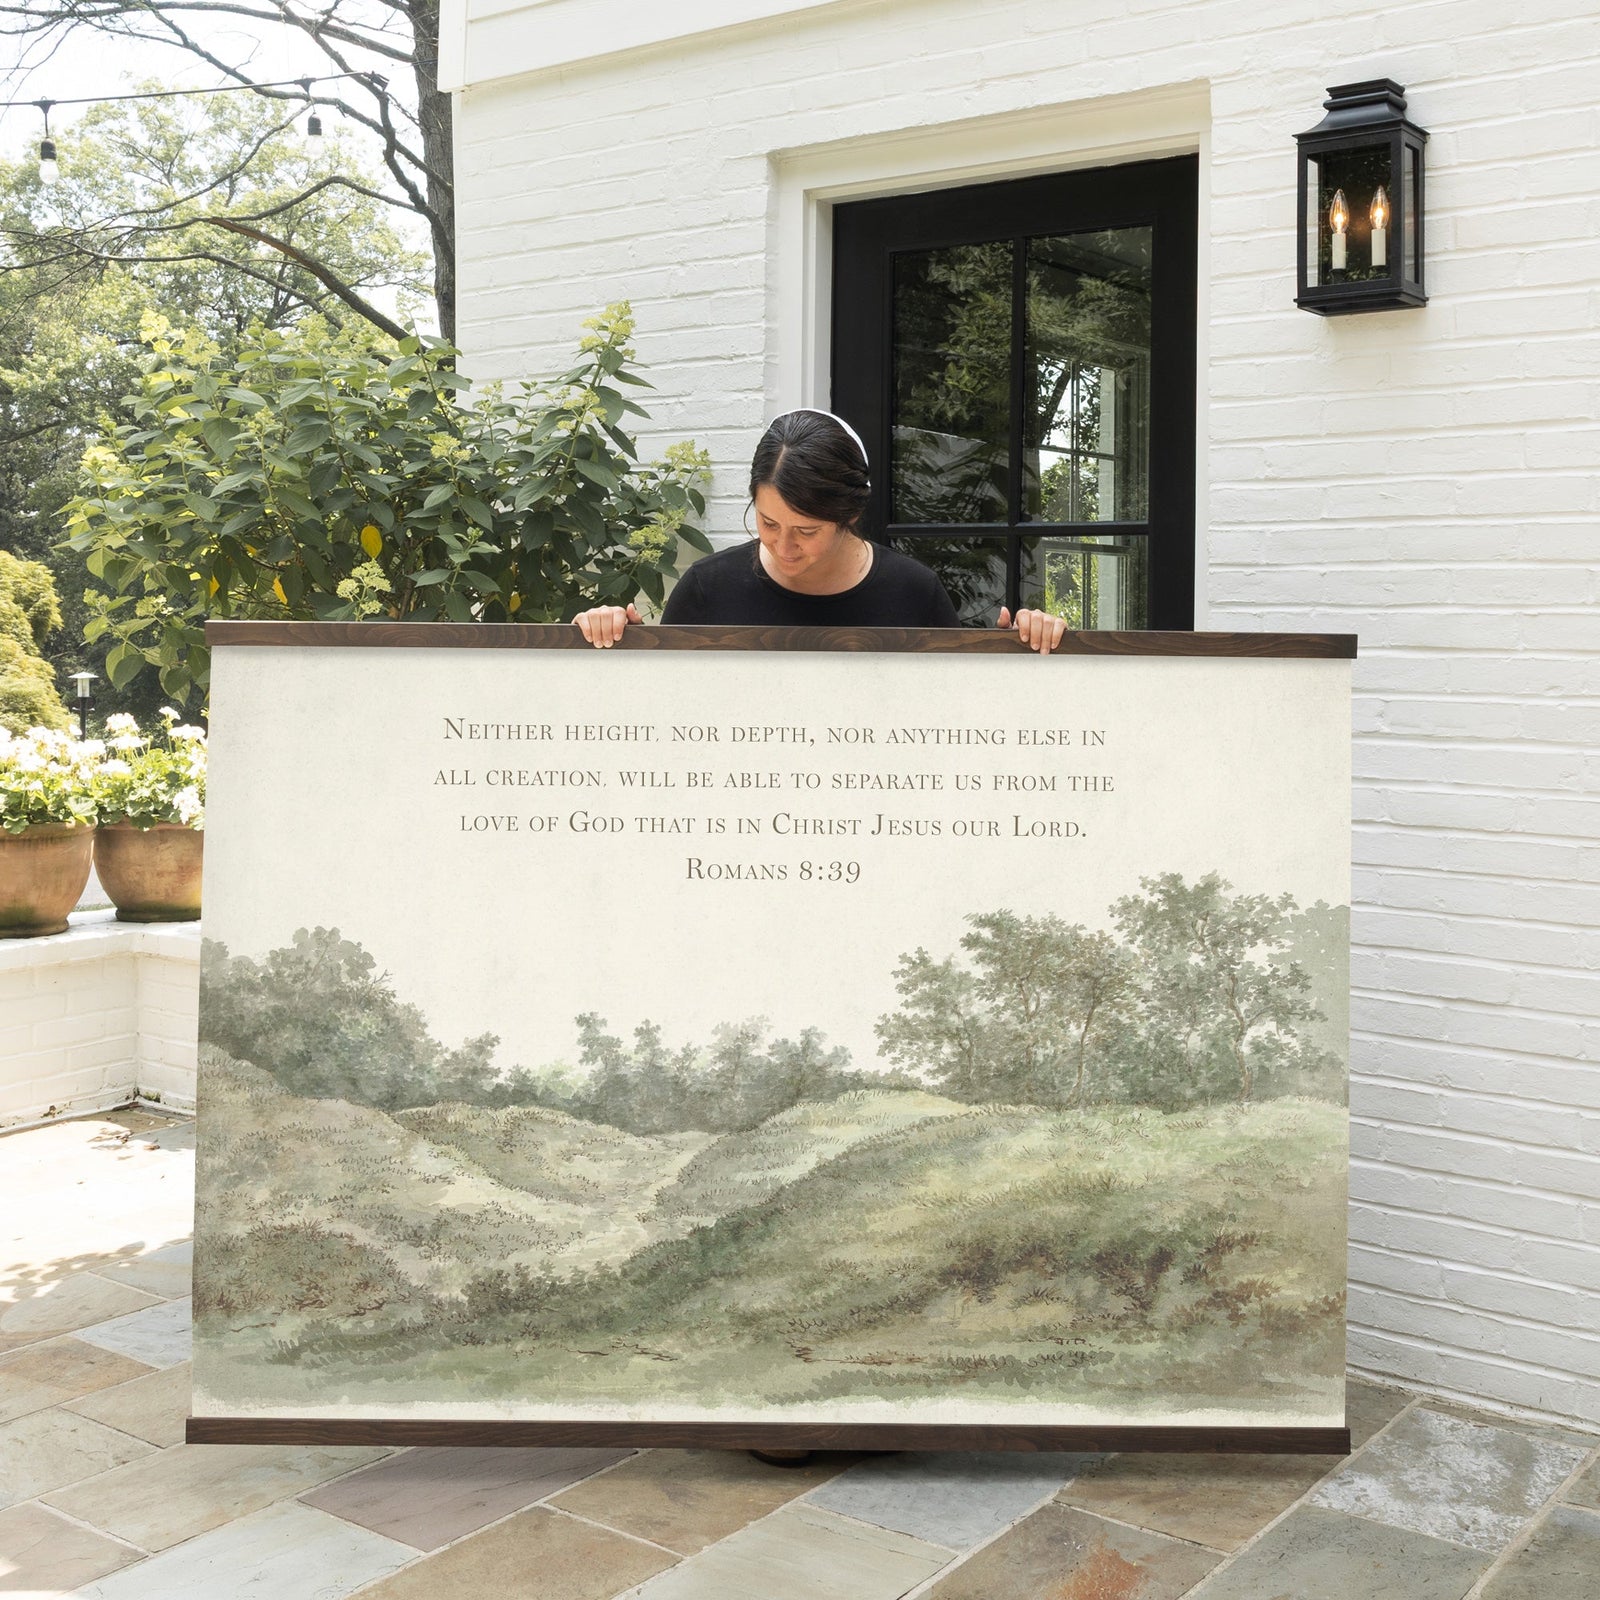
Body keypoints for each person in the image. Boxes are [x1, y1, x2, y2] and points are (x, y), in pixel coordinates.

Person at [574, 409, 1069, 652]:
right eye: (768, 523)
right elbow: (659, 723)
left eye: (806, 531)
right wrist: (614, 640)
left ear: (849, 514)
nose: (783, 546)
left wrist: (1018, 653)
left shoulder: (913, 591)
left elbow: (957, 721)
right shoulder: (707, 588)